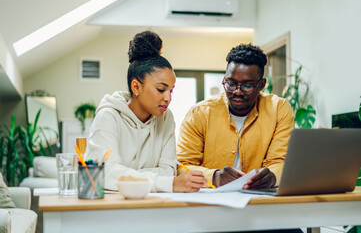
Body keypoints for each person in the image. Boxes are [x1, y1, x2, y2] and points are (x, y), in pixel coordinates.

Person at [85, 31, 205, 193]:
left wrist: (125, 174)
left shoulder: (166, 118)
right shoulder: (109, 116)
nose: (168, 98)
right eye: (161, 89)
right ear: (136, 87)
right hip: (112, 207)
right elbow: (105, 173)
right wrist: (166, 182)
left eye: (171, 90)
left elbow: (168, 171)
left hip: (153, 204)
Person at [177, 43, 294, 189]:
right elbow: (182, 166)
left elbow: (282, 162)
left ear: (262, 84)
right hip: (211, 199)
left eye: (247, 85)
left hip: (258, 199)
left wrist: (273, 176)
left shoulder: (278, 110)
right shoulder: (200, 113)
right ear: (224, 80)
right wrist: (214, 176)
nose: (237, 92)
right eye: (231, 84)